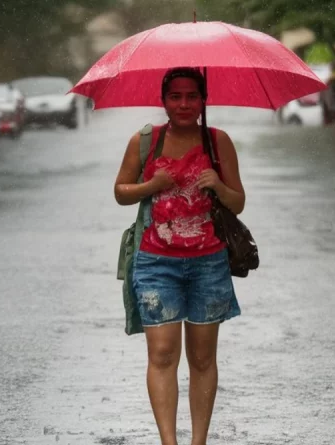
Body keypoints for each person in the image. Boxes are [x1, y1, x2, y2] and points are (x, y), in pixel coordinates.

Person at [113, 67, 244, 445]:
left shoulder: (218, 143)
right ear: (163, 100)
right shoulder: (146, 141)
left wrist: (218, 184)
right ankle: (168, 442)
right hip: (156, 262)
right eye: (175, 96)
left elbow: (239, 201)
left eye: (192, 96)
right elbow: (121, 191)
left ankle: (198, 442)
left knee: (203, 359)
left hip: (209, 263)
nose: (183, 104)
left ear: (204, 100)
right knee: (163, 354)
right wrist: (151, 186)